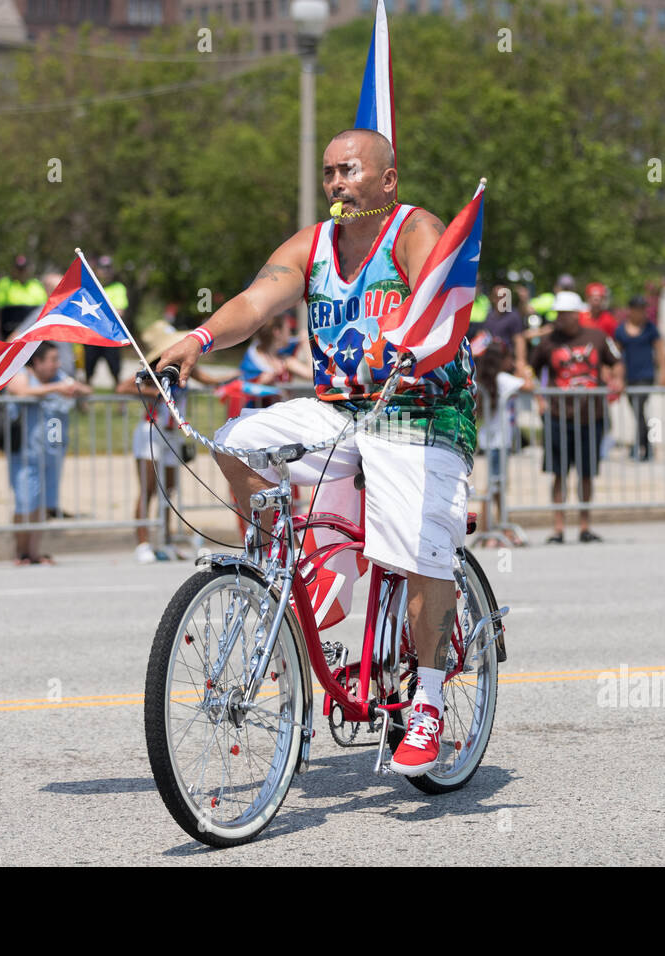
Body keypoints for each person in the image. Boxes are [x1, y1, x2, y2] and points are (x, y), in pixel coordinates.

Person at [154, 128, 477, 777]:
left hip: (421, 412)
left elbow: (441, 295)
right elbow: (255, 301)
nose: (336, 183)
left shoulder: (414, 231)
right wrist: (199, 337)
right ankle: (276, 563)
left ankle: (429, 703)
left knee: (415, 549)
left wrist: (411, 341)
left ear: (387, 181)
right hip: (342, 411)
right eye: (329, 172)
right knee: (239, 440)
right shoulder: (313, 246)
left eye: (350, 171)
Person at [119, 322, 227, 563]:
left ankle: (165, 541)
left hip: (172, 435)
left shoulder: (186, 367)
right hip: (151, 430)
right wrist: (154, 393)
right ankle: (143, 543)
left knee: (168, 490)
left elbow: (211, 380)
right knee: (147, 489)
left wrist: (240, 377)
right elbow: (124, 386)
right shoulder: (152, 368)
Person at [529, 289, 623, 544]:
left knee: (586, 473)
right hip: (558, 416)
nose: (561, 318)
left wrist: (617, 379)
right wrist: (539, 398)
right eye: (558, 314)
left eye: (566, 314)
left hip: (590, 415)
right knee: (559, 473)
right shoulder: (548, 341)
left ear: (577, 314)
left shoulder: (597, 336)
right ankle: (558, 528)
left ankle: (584, 525)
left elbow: (616, 360)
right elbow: (530, 369)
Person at [5, 342, 91, 565]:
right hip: (25, 455)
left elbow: (86, 390)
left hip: (52, 454)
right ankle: (20, 552)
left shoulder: (59, 377)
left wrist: (75, 389)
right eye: (52, 359)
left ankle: (34, 552)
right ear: (37, 361)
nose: (57, 364)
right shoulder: (22, 375)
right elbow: (21, 391)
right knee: (25, 504)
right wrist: (56, 389)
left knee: (44, 505)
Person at [474, 342, 532, 547]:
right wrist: (520, 366)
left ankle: (499, 527)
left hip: (491, 440)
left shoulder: (486, 379)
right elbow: (529, 385)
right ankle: (488, 530)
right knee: (494, 486)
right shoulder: (504, 379)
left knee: (496, 486)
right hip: (499, 441)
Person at [613, 294, 665, 461]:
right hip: (629, 375)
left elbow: (660, 350)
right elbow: (616, 355)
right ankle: (648, 446)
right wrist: (616, 377)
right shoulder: (621, 330)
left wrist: (664, 371)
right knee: (638, 412)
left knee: (639, 407)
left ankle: (639, 446)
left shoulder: (651, 329)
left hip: (646, 375)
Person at [83, 256, 129, 388]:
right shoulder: (90, 287)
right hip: (92, 335)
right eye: (103, 268)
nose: (106, 271)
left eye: (108, 268)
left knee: (115, 370)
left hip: (111, 334)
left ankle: (120, 400)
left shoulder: (118, 287)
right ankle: (84, 402)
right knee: (88, 370)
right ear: (96, 270)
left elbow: (119, 312)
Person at [0, 255, 47, 340]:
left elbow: (44, 311)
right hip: (9, 332)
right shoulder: (4, 284)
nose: (21, 272)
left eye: (23, 269)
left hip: (32, 334)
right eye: (19, 269)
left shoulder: (37, 285)